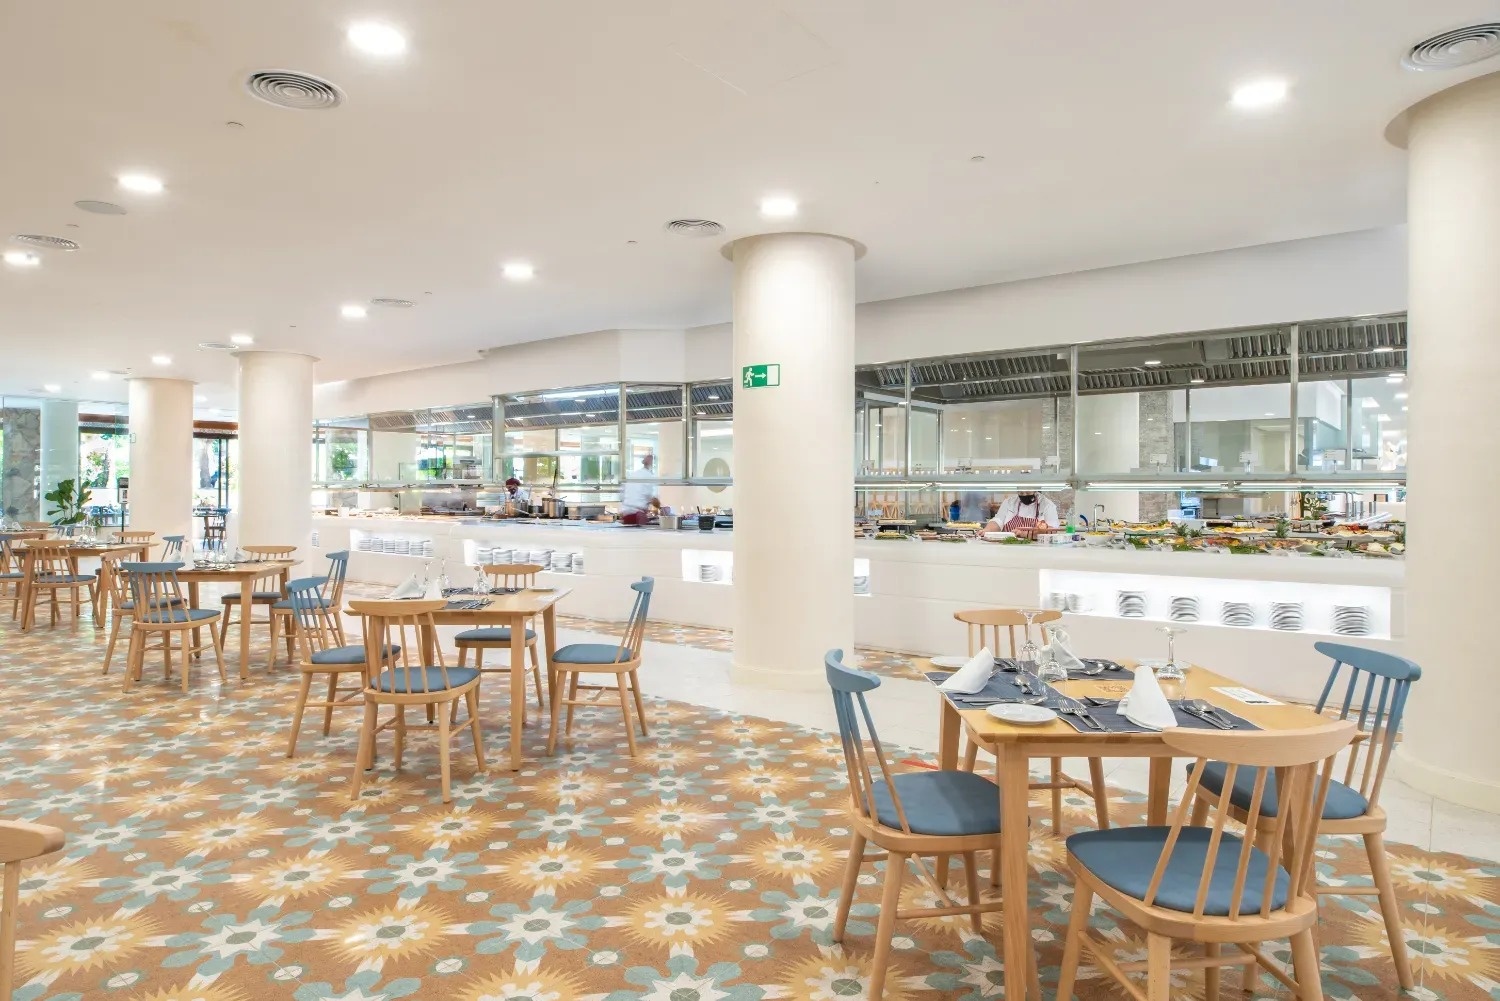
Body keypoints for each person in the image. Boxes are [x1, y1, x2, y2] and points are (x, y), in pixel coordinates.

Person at [987, 490, 1060, 539]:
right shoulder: (1009, 502)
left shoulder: (1047, 505)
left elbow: (1052, 530)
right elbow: (998, 521)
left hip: (1036, 548)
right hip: (1009, 547)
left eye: (1028, 492)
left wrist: (1023, 534)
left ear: (1035, 490)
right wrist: (987, 530)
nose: (1024, 495)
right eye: (1021, 493)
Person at [619, 453, 660, 526]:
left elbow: (622, 496)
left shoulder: (632, 475)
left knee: (628, 533)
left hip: (626, 514)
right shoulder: (649, 476)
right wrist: (662, 510)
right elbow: (654, 499)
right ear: (652, 463)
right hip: (637, 515)